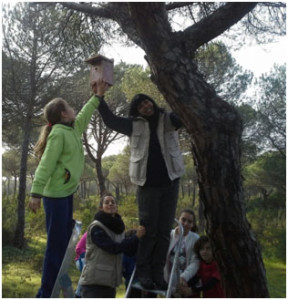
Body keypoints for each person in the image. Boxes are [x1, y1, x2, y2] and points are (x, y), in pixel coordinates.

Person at [94, 87, 185, 290]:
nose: (146, 106)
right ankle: (143, 271)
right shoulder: (133, 125)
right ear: (137, 111)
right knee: (148, 231)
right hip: (147, 186)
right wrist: (99, 98)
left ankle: (157, 273)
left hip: (170, 183)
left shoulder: (167, 119)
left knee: (164, 233)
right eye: (140, 105)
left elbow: (184, 115)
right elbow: (110, 120)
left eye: (147, 101)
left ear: (152, 101)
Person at [28, 79, 109, 298]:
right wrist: (35, 193)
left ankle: (57, 287)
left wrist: (98, 96)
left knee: (63, 246)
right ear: (64, 114)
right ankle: (45, 293)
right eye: (70, 108)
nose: (74, 110)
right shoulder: (58, 134)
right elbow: (46, 164)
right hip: (54, 196)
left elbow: (84, 114)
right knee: (55, 247)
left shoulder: (71, 130)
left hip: (65, 195)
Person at [79, 193, 146, 298]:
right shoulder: (96, 227)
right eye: (107, 202)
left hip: (110, 283)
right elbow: (113, 248)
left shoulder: (118, 229)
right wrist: (136, 237)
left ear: (116, 207)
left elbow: (128, 250)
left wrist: (141, 239)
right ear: (101, 208)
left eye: (113, 202)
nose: (110, 204)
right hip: (94, 284)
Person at [164, 209, 200, 297]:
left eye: (190, 221)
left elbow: (195, 262)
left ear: (193, 224)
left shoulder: (195, 239)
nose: (186, 223)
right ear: (178, 219)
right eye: (183, 220)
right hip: (169, 284)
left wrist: (184, 277)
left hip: (187, 284)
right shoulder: (169, 235)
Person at [74, 232, 87, 297]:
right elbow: (78, 249)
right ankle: (78, 294)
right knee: (88, 269)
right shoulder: (89, 233)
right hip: (81, 260)